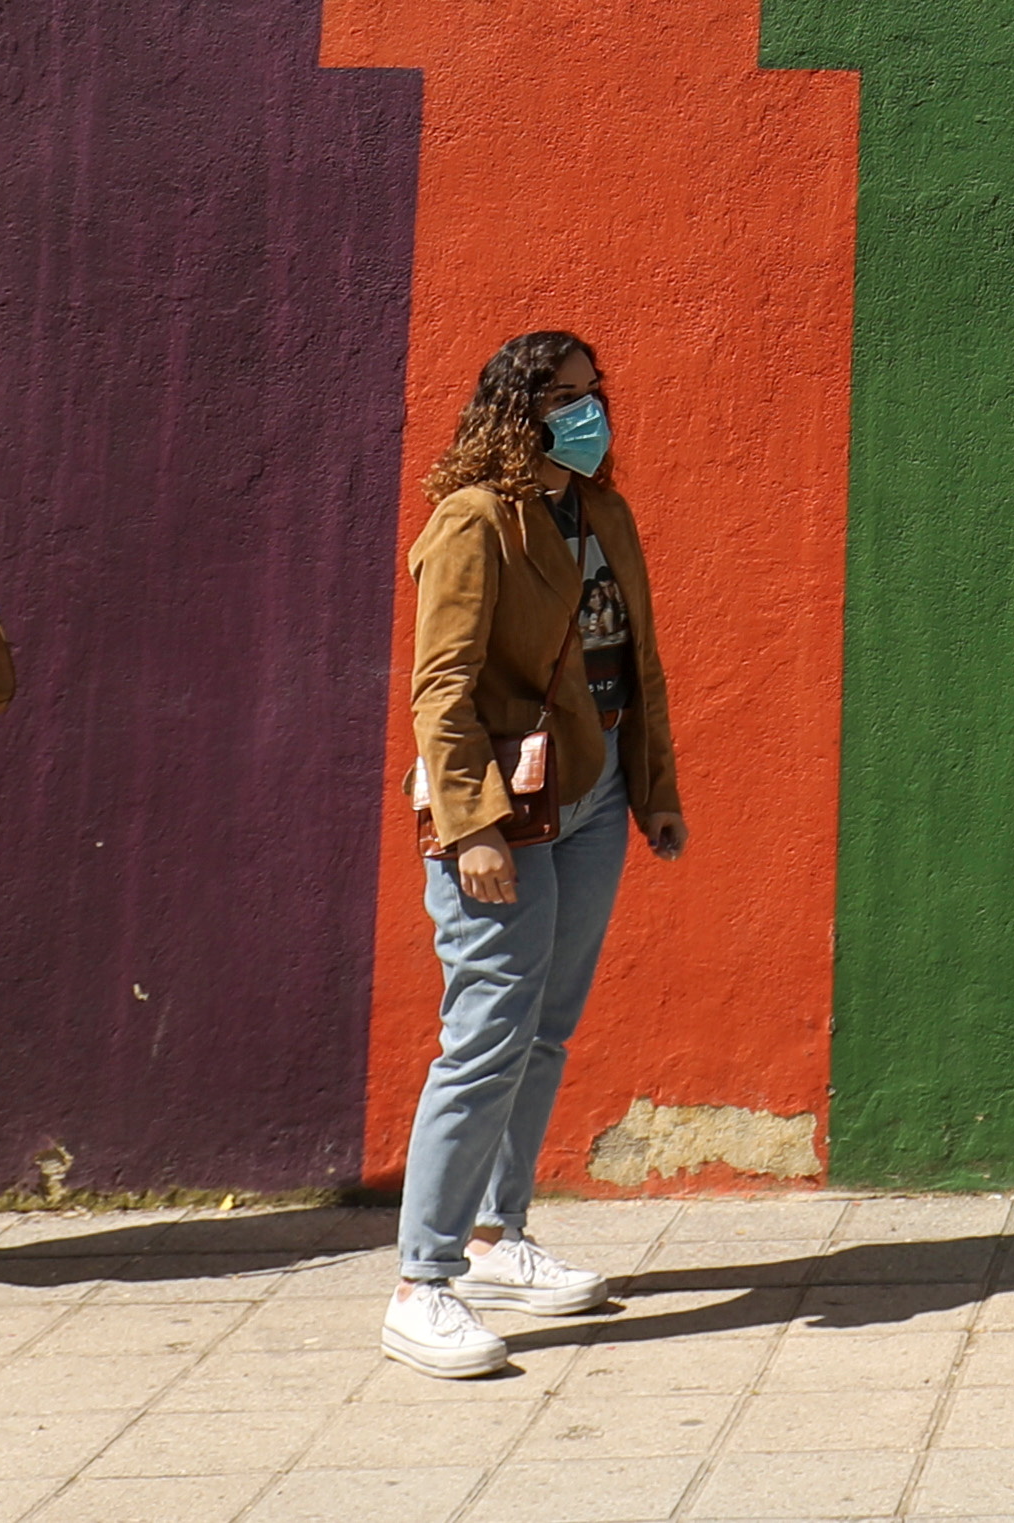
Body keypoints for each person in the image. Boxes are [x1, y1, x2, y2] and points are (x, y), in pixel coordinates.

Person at [382, 330, 683, 1381]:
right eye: (564, 395)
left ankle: (494, 1234)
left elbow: (632, 662)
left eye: (594, 390)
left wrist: (653, 792)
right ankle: (420, 1281)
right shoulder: (473, 522)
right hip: (507, 809)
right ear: (518, 411)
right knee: (485, 1034)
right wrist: (468, 828)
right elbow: (439, 688)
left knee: (544, 1028)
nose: (587, 409)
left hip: (591, 795)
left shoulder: (599, 508)